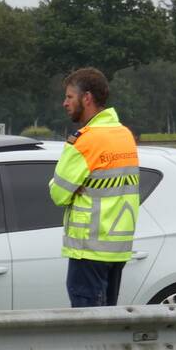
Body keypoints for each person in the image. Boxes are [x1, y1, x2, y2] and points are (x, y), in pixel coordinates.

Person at [49, 67, 139, 307]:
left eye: (69, 97)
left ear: (86, 98)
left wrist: (73, 187)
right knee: (108, 326)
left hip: (89, 249)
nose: (64, 103)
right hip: (117, 249)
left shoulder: (85, 141)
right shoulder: (124, 135)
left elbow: (58, 193)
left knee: (91, 332)